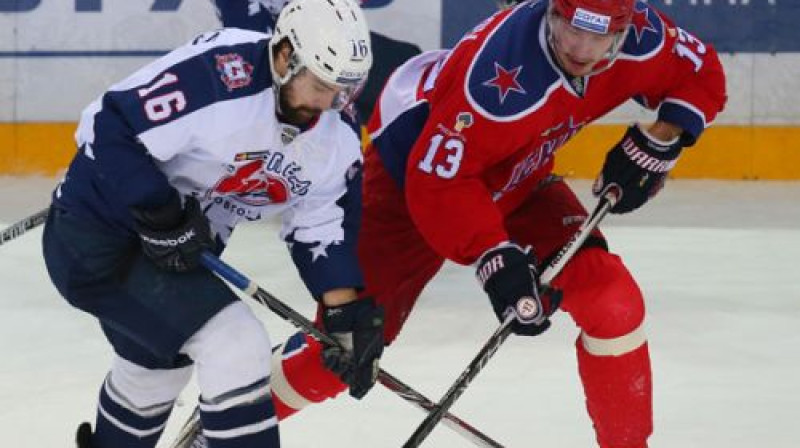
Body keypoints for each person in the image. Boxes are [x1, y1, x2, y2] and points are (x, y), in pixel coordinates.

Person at [263, 0, 727, 447]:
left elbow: (702, 72)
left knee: (613, 300)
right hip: (411, 183)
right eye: (572, 29)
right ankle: (228, 423)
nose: (582, 50)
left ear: (625, 28)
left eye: (600, 35)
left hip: (519, 176)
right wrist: (494, 258)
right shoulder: (492, 79)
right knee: (345, 346)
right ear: (552, 11)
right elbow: (436, 185)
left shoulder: (643, 35)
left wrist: (659, 143)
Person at [41, 0, 384, 447]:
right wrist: (161, 214)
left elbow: (321, 223)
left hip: (174, 256)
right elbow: (108, 124)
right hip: (95, 238)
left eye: (343, 90)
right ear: (284, 56)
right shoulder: (220, 74)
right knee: (236, 346)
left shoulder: (333, 137)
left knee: (154, 370)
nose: (329, 103)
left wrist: (342, 312)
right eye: (320, 86)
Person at [211, 0, 422, 122]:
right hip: (275, 58)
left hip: (325, 47)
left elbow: (340, 19)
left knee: (407, 73)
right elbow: (255, 45)